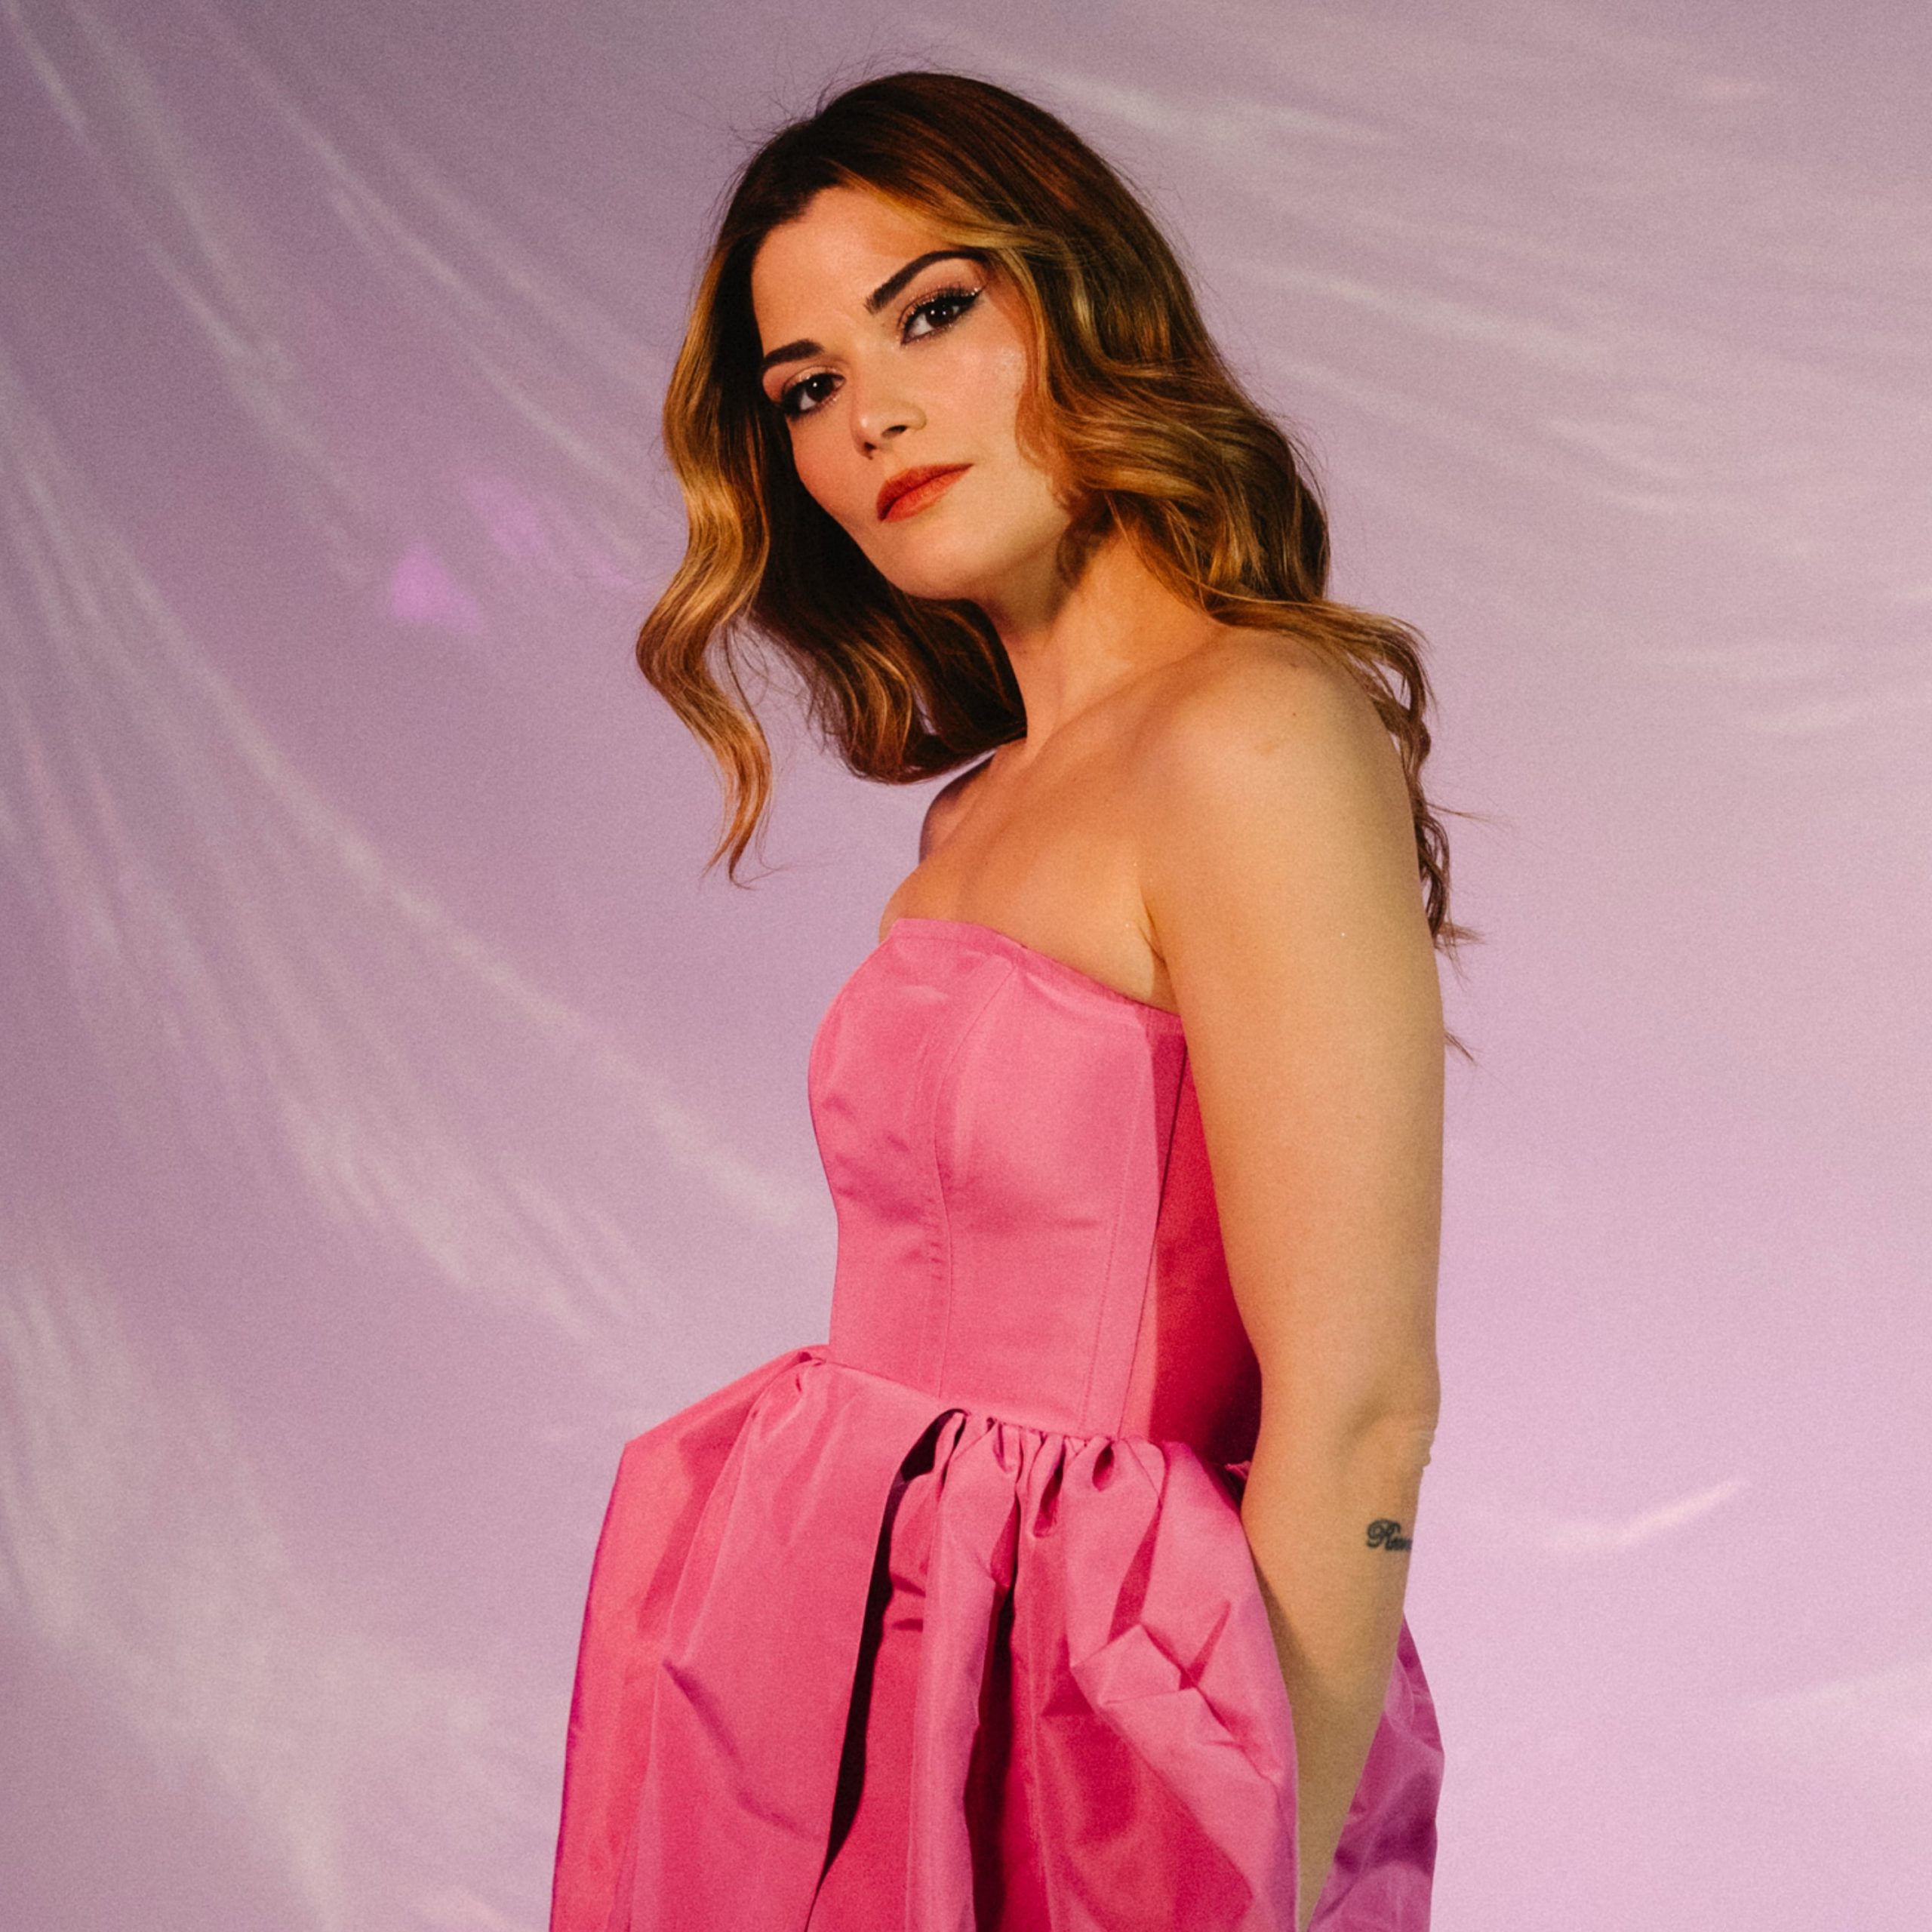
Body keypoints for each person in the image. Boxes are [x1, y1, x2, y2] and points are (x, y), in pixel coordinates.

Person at [549, 69, 1455, 1932]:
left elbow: (1358, 1405)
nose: (869, 414)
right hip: (845, 1663)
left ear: (1082, 297)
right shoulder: (974, 812)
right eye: (804, 387)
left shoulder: (1256, 730)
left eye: (930, 312)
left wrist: (1255, 1876)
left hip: (1098, 1719)